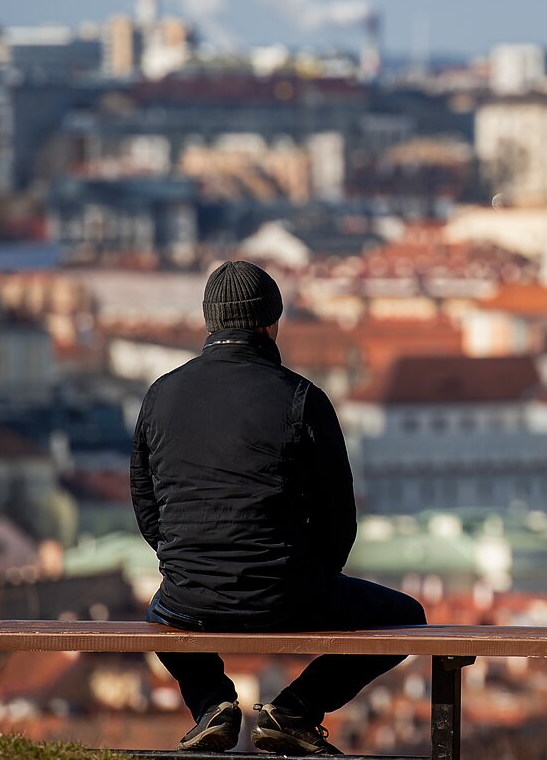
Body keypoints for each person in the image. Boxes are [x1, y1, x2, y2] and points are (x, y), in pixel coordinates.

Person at [130, 260, 426, 755]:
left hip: (191, 596)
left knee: (160, 611)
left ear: (209, 321)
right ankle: (295, 710)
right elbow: (339, 520)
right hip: (289, 591)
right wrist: (310, 577)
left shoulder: (160, 396)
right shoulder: (303, 398)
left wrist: (186, 562)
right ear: (271, 321)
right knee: (406, 618)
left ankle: (211, 705)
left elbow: (146, 505)